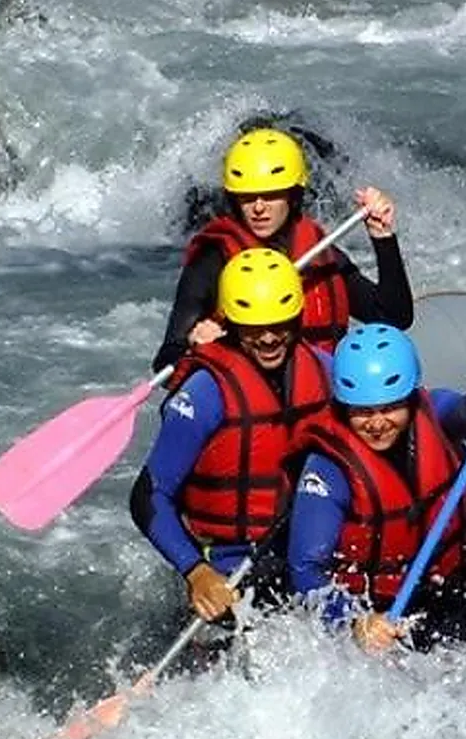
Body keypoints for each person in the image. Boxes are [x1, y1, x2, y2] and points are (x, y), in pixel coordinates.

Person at [288, 324, 466, 652]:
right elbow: (305, 571)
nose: (377, 423)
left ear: (408, 397)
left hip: (444, 601)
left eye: (389, 407)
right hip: (379, 623)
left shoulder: (432, 411)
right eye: (362, 411)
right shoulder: (327, 470)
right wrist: (355, 623)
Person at [131, 248, 333, 623]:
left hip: (308, 562)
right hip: (226, 569)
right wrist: (195, 571)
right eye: (254, 327)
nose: (269, 338)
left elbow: (405, 411)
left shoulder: (326, 372)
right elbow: (148, 495)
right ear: (232, 323)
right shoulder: (205, 393)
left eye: (280, 324)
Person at [152, 127, 413, 370]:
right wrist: (196, 347)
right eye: (247, 197)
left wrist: (383, 238)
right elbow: (165, 361)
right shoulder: (213, 259)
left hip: (317, 397)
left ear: (293, 196)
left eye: (271, 195)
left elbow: (392, 317)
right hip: (252, 408)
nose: (258, 207)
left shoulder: (317, 251)